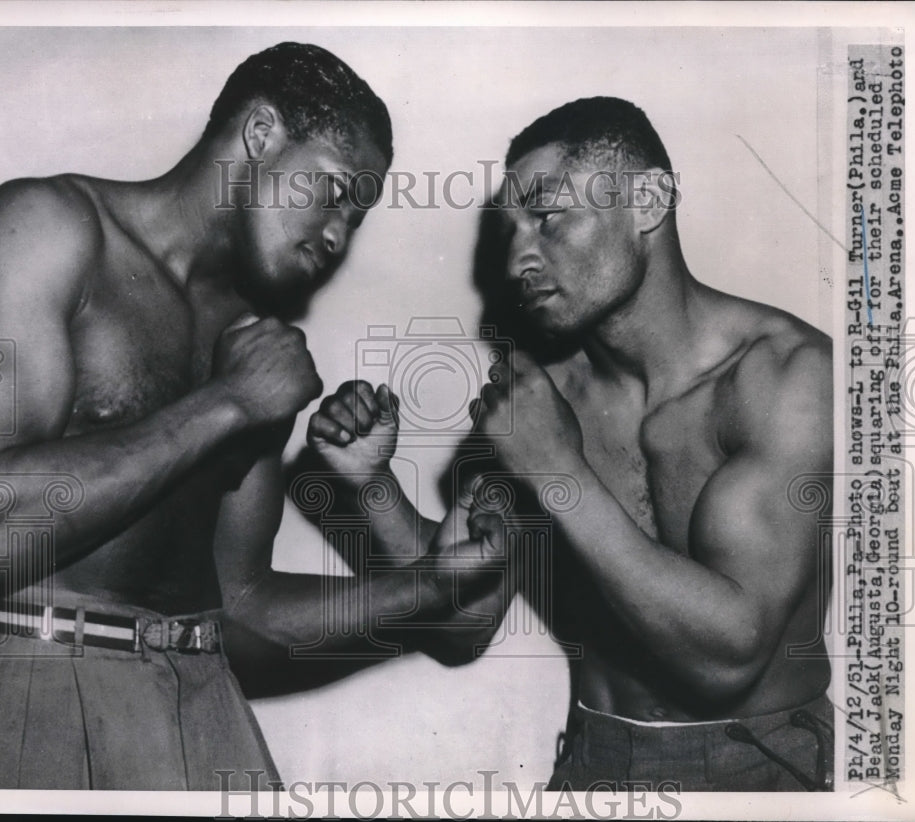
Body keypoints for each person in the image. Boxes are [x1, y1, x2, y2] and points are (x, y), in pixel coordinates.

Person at [0, 42, 497, 791]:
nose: (339, 235)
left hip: (205, 702)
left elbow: (241, 615)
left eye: (358, 217)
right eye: (334, 193)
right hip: (40, 677)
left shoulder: (253, 336)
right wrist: (228, 401)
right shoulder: (49, 227)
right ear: (260, 133)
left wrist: (428, 587)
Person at [307, 96, 835, 792]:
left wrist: (557, 470)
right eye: (513, 230)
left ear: (646, 202)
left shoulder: (787, 377)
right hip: (596, 762)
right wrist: (370, 484)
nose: (519, 258)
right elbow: (463, 622)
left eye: (549, 216)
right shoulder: (538, 399)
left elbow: (726, 659)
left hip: (763, 767)